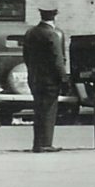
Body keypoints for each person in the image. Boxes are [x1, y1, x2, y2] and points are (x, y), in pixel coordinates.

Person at [21, 8, 67, 153]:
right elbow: (58, 59)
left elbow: (26, 55)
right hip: (50, 79)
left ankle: (37, 143)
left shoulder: (30, 33)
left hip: (35, 77)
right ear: (54, 18)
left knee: (38, 110)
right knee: (49, 111)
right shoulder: (52, 34)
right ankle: (46, 143)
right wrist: (64, 78)